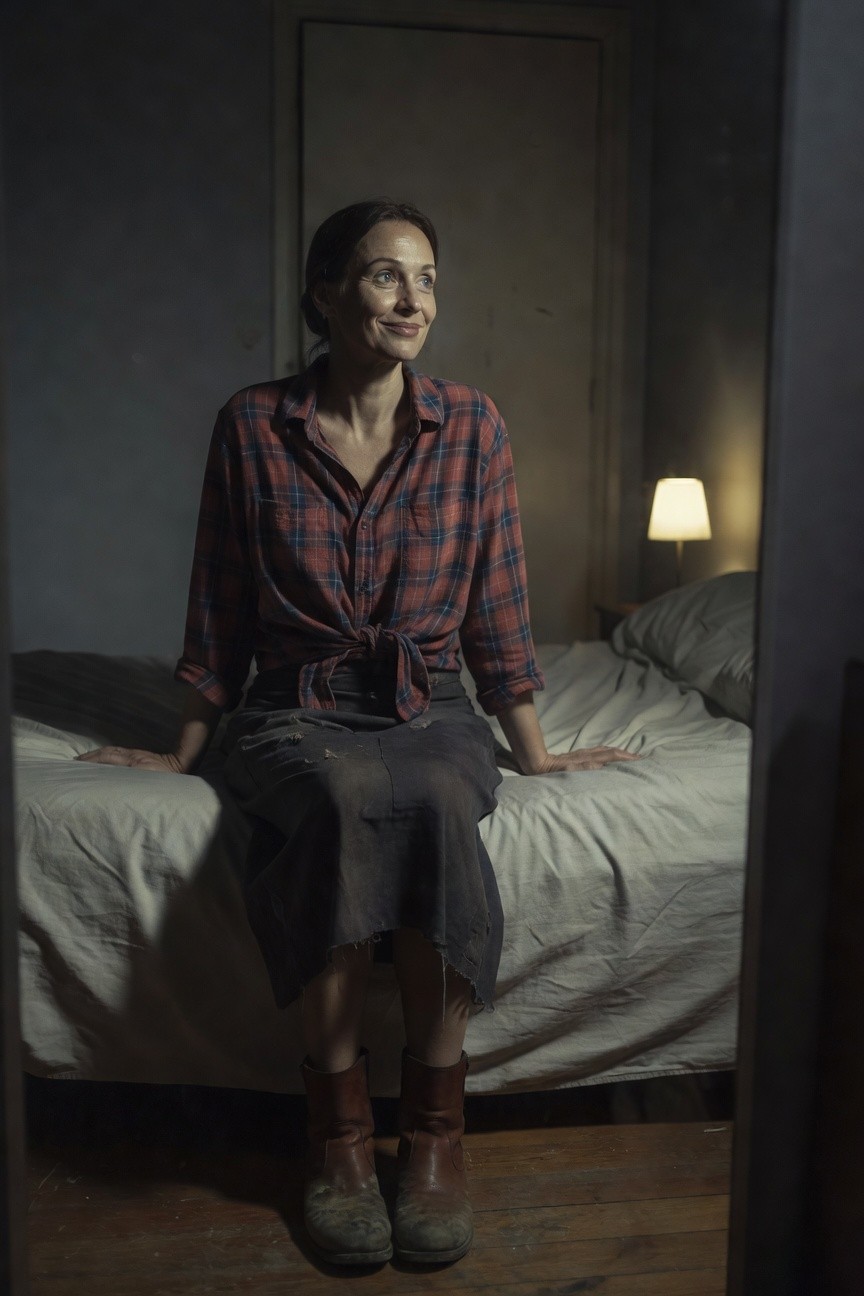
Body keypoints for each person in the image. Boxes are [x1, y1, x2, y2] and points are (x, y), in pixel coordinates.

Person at [78, 199, 636, 1267]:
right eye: (385, 276)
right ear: (328, 291)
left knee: (428, 800)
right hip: (295, 708)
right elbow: (219, 605)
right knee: (335, 801)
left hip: (430, 710)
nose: (412, 298)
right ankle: (335, 1139)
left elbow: (499, 613)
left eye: (426, 278)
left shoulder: (472, 427)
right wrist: (184, 745)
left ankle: (434, 1136)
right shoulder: (254, 424)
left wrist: (538, 752)